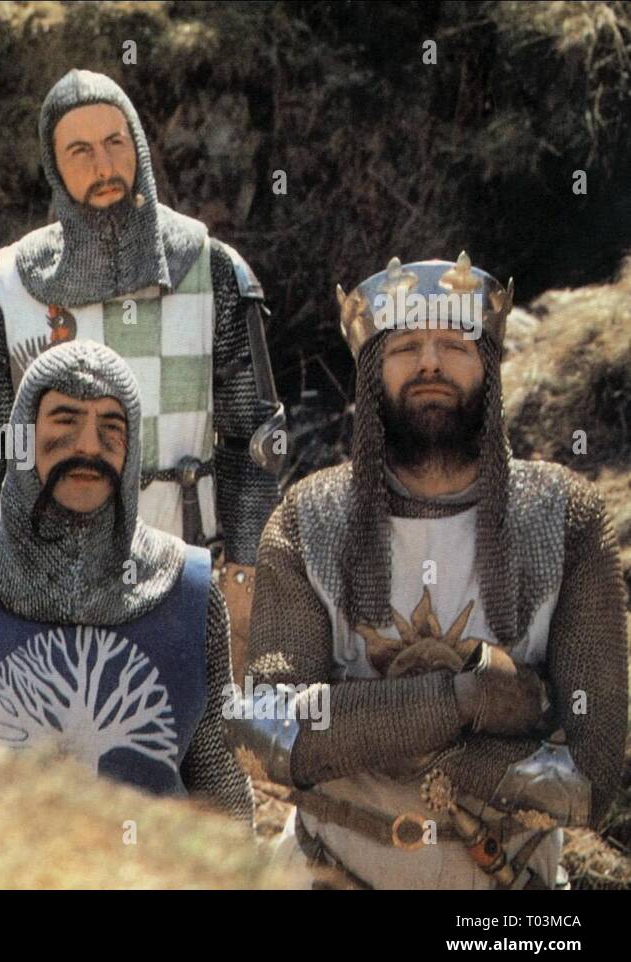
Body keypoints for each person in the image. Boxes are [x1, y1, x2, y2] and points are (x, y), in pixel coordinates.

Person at [228, 254, 628, 888]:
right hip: (338, 871)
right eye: (406, 345)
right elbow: (267, 732)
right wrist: (465, 700)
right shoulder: (312, 516)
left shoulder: (564, 516)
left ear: (490, 365)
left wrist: (374, 731)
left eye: (454, 343)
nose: (431, 363)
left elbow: (592, 777)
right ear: (371, 371)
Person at [0, 69, 285, 680]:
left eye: (115, 144)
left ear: (139, 149)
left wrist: (246, 570)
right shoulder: (16, 285)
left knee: (184, 750)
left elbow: (252, 441)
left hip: (185, 556)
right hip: (49, 563)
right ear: (54, 164)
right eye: (80, 151)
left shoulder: (213, 271)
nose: (103, 166)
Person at [0, 340, 252, 820]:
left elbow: (218, 788)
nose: (88, 446)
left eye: (110, 427)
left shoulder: (189, 592)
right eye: (66, 421)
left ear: (131, 450)